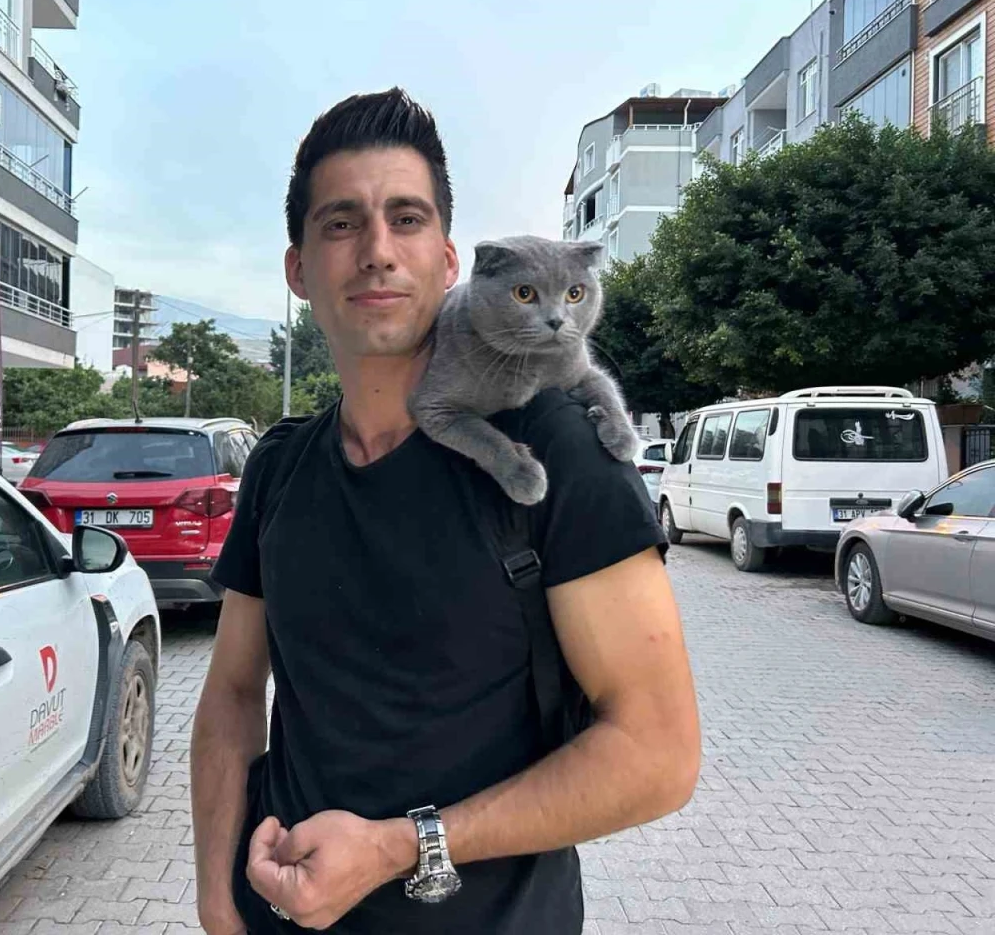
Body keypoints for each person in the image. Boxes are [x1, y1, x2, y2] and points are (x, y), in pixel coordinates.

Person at [191, 88, 700, 935]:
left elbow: (658, 754)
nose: (377, 252)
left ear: (449, 260)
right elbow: (235, 694)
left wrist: (401, 846)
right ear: (298, 269)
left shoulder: (557, 451)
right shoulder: (279, 468)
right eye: (342, 223)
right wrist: (218, 903)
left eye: (407, 219)